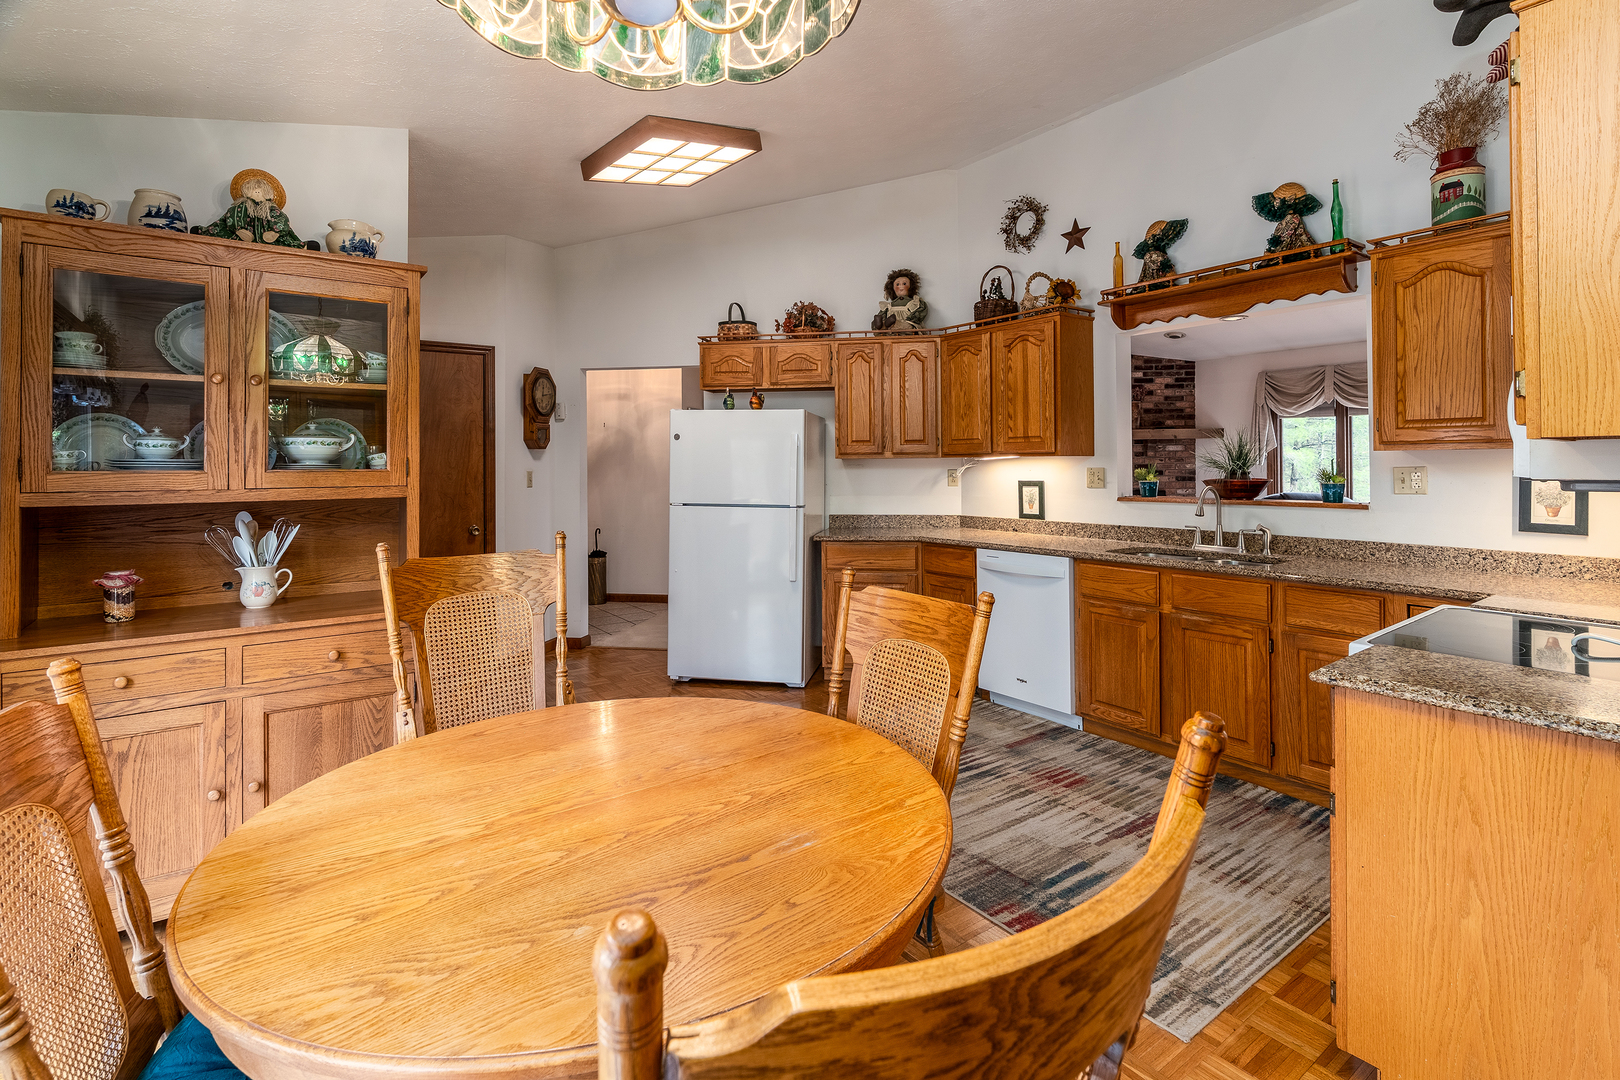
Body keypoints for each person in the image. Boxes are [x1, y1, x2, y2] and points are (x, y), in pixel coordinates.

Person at [196, 176, 304, 247]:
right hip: (242, 234)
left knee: (285, 240)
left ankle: (273, 234)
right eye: (254, 190)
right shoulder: (243, 205)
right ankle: (240, 231)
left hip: (267, 234)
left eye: (260, 190)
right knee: (221, 232)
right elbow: (233, 215)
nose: (257, 192)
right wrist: (237, 227)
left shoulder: (270, 207)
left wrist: (276, 230)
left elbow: (281, 218)